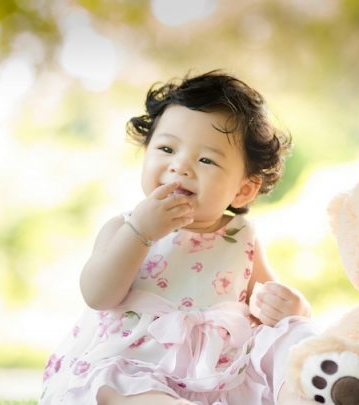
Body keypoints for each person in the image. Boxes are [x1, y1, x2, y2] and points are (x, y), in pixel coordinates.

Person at [40, 71, 317, 404]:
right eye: (167, 148)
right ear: (146, 154)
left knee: (294, 335)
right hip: (137, 364)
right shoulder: (125, 228)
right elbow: (98, 296)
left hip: (218, 373)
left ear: (243, 189)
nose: (180, 166)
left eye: (206, 159)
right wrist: (140, 233)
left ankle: (304, 396)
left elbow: (266, 304)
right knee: (118, 384)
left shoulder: (242, 236)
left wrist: (292, 309)